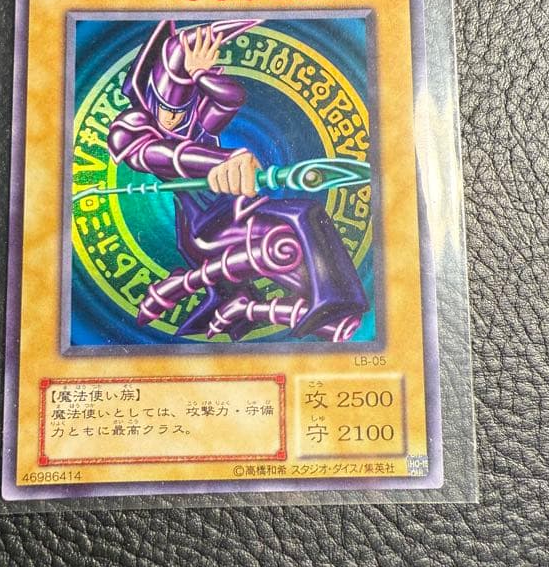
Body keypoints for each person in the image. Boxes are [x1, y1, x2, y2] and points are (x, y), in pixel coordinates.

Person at [107, 20, 368, 342]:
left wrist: (201, 75)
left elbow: (230, 98)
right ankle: (223, 296)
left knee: (304, 215)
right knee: (283, 241)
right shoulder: (134, 127)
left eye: (182, 110)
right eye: (165, 108)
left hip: (238, 210)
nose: (173, 119)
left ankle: (278, 306)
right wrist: (220, 162)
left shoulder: (196, 121)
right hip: (205, 228)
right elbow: (156, 154)